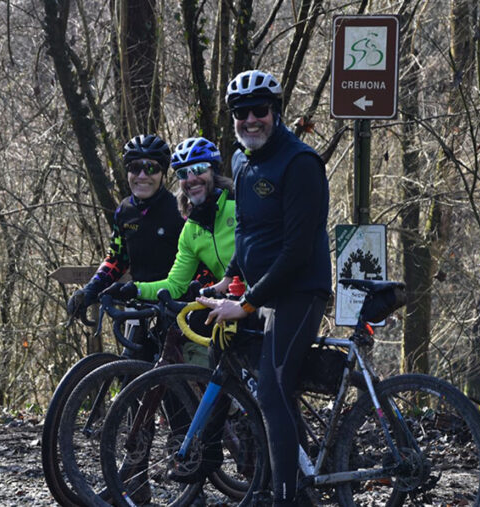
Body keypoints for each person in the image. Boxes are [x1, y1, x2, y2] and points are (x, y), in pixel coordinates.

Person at [198, 69, 332, 507]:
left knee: (273, 391)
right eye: (241, 112)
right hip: (263, 291)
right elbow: (247, 231)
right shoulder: (239, 160)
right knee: (268, 386)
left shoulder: (300, 163)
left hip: (299, 290)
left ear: (276, 112)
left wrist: (248, 303)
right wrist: (229, 279)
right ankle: (295, 492)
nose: (250, 120)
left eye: (259, 110)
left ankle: (285, 499)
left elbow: (295, 251)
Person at [102, 136, 236, 366]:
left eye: (199, 169)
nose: (192, 178)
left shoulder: (239, 206)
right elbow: (175, 284)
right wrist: (133, 289)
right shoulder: (191, 229)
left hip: (262, 300)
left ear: (214, 171)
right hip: (227, 309)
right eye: (184, 173)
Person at [66, 134, 183, 359]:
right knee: (131, 378)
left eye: (151, 168)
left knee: (178, 387)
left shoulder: (180, 210)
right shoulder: (124, 210)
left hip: (177, 310)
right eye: (134, 167)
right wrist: (89, 291)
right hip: (138, 309)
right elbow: (117, 259)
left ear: (163, 173)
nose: (142, 175)